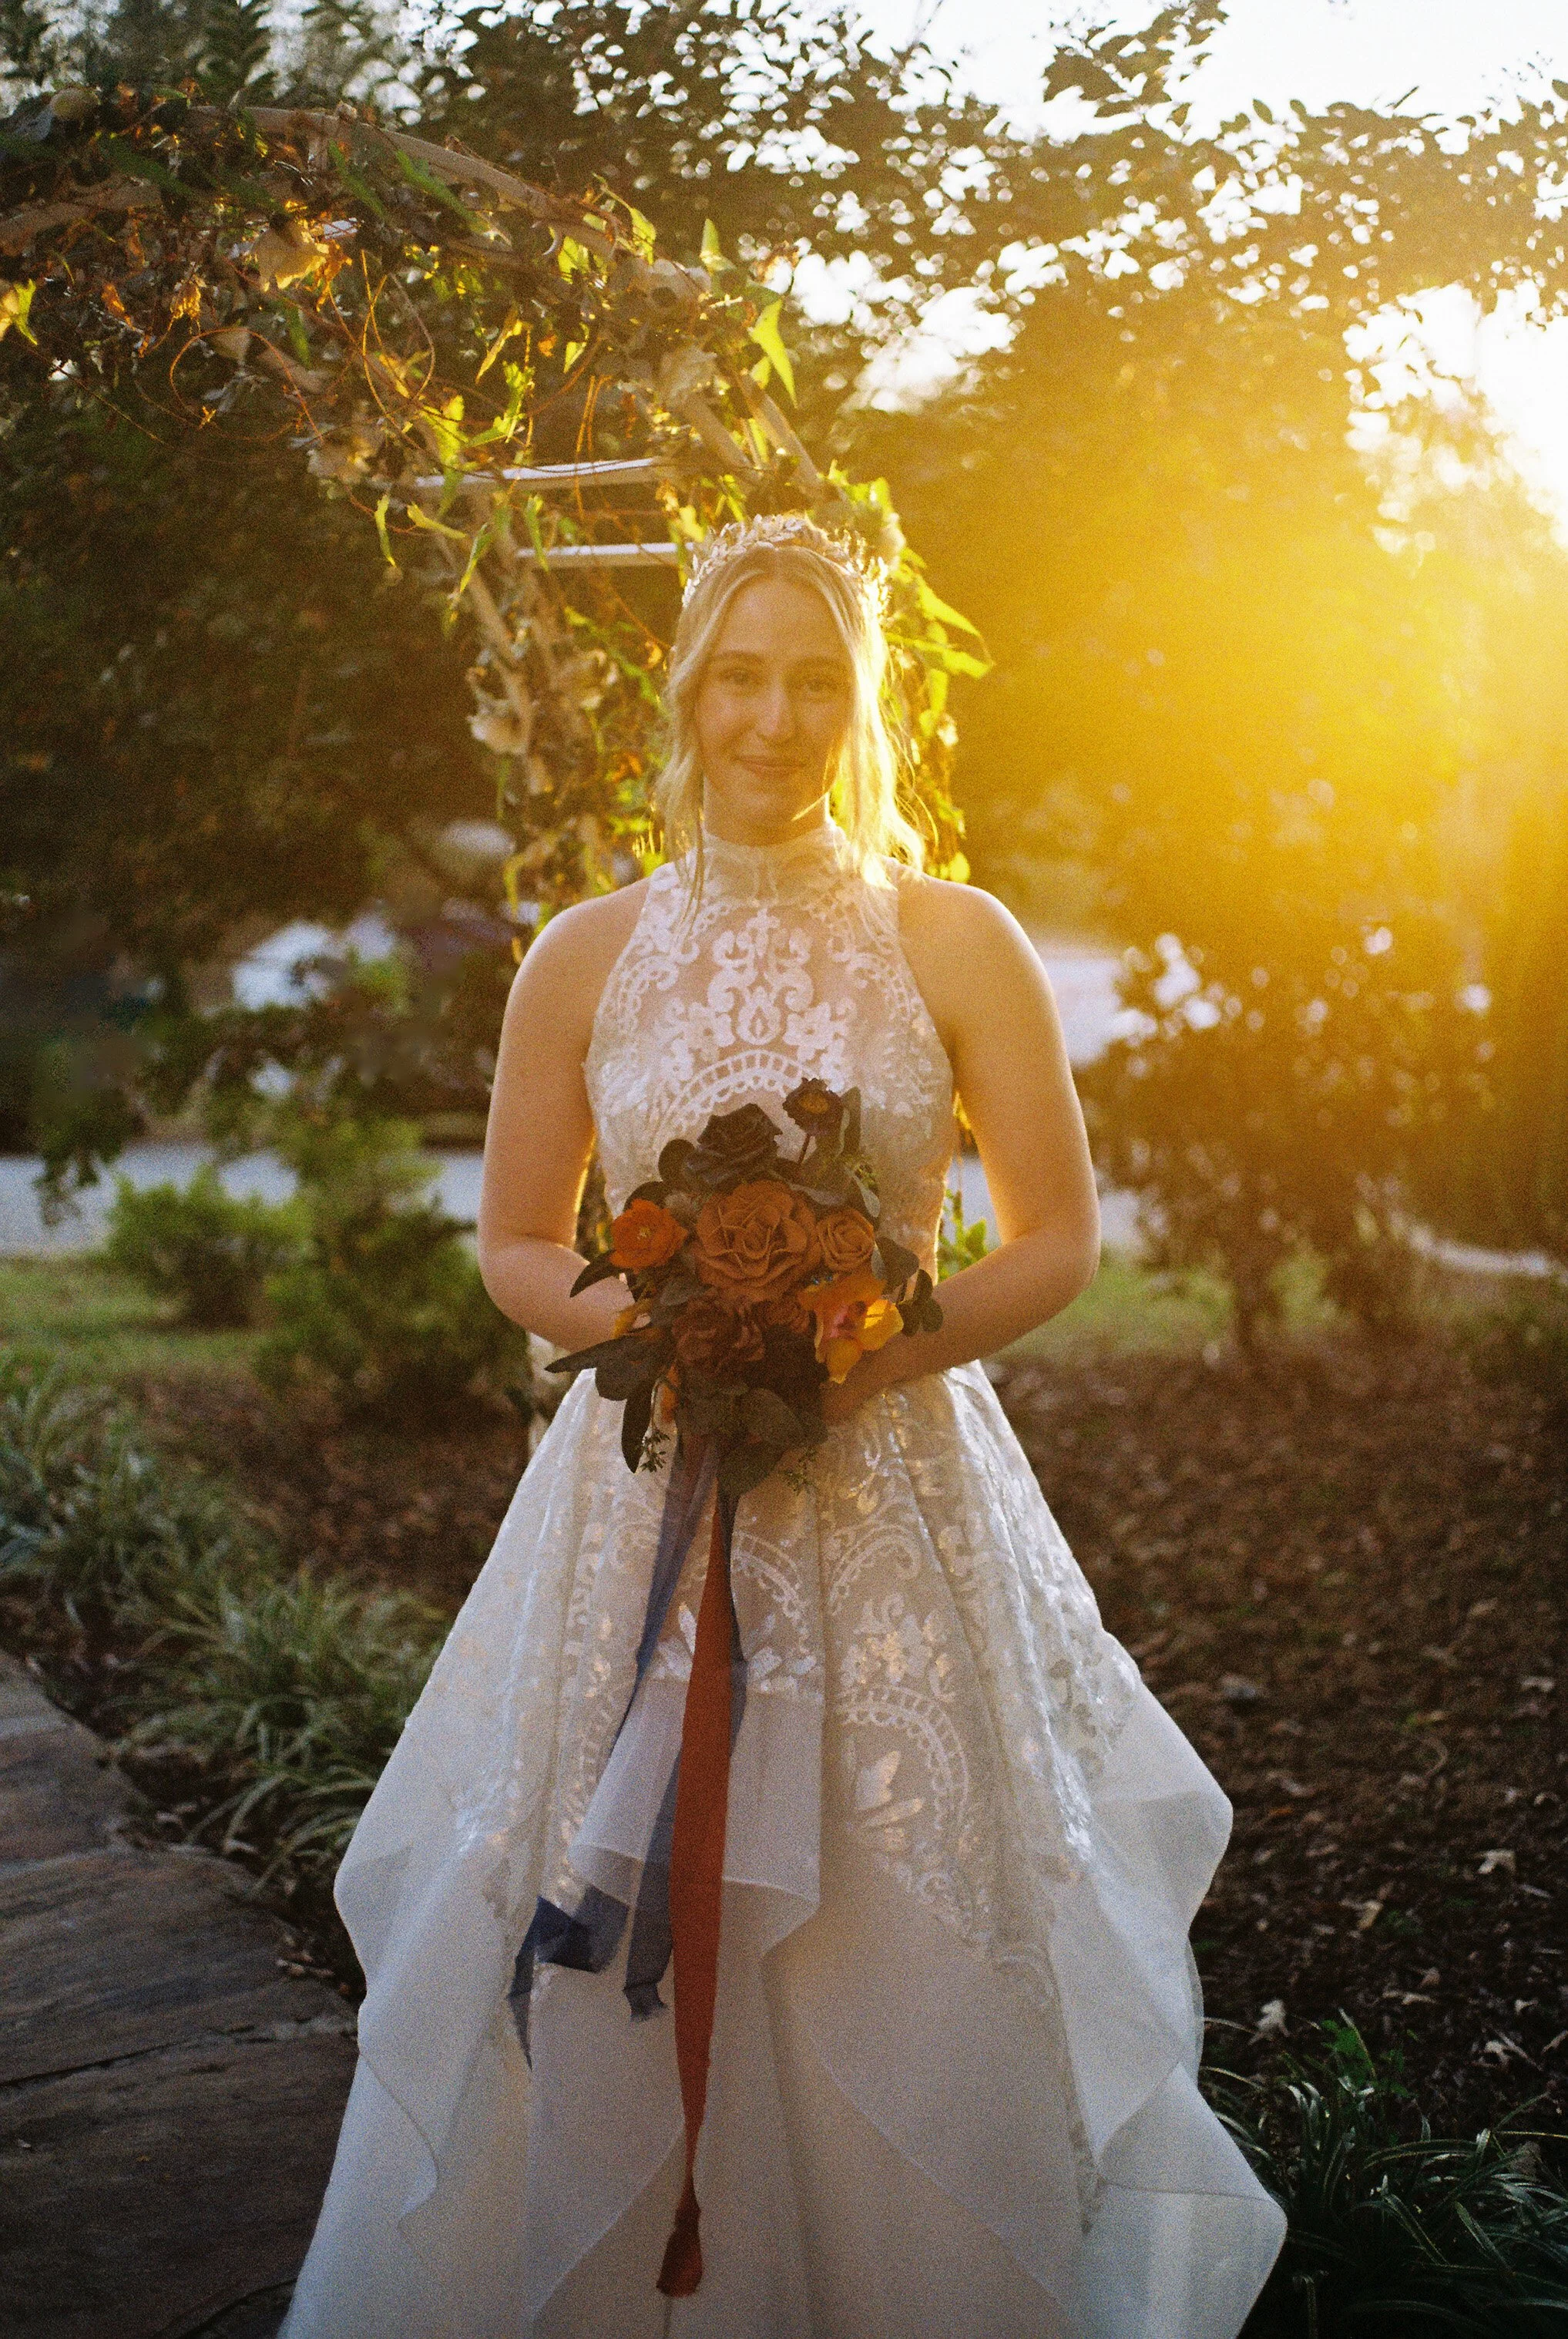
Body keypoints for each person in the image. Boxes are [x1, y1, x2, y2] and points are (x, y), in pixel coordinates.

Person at [280, 513, 1284, 2339]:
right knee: (619, 1901)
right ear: (685, 691)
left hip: (889, 1493)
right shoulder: (584, 953)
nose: (774, 715)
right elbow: (516, 1241)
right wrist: (673, 1333)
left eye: (816, 680)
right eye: (741, 675)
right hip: (642, 1497)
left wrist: (855, 1354)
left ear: (863, 701)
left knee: (894, 1923)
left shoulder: (954, 938)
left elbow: (1056, 1236)